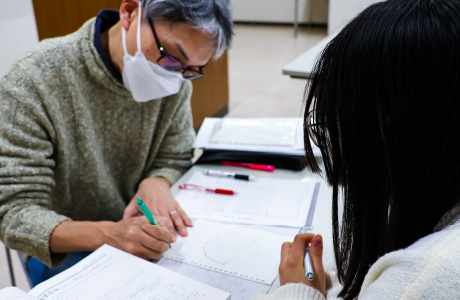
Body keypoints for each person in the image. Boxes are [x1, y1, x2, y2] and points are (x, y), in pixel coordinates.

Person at [0, 0, 233, 285]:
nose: (174, 78)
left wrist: (156, 182)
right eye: (170, 56)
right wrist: (106, 234)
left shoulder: (175, 79)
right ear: (130, 12)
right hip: (69, 245)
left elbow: (175, 156)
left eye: (190, 69)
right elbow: (14, 213)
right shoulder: (34, 80)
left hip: (147, 235)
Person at [253, 0, 460, 299]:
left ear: (387, 130)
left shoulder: (418, 281)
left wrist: (298, 290)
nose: (334, 147)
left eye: (332, 128)